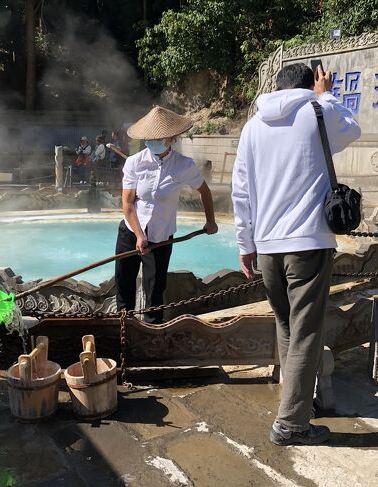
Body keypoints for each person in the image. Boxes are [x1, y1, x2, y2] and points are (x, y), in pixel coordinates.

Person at [232, 63, 361, 446]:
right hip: (307, 243)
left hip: (269, 246)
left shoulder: (253, 126)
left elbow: (241, 190)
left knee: (287, 328)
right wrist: (327, 95)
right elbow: (352, 129)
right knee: (306, 334)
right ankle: (291, 424)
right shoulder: (319, 111)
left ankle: (295, 401)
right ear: (310, 84)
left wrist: (246, 243)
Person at [116, 106, 218, 324]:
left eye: (158, 138)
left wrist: (210, 221)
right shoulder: (135, 162)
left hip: (161, 237)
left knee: (155, 289)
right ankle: (123, 331)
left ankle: (152, 337)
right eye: (149, 139)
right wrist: (139, 236)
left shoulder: (183, 165)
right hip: (131, 231)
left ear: (171, 138)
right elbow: (127, 204)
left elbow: (204, 191)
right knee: (124, 284)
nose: (153, 142)